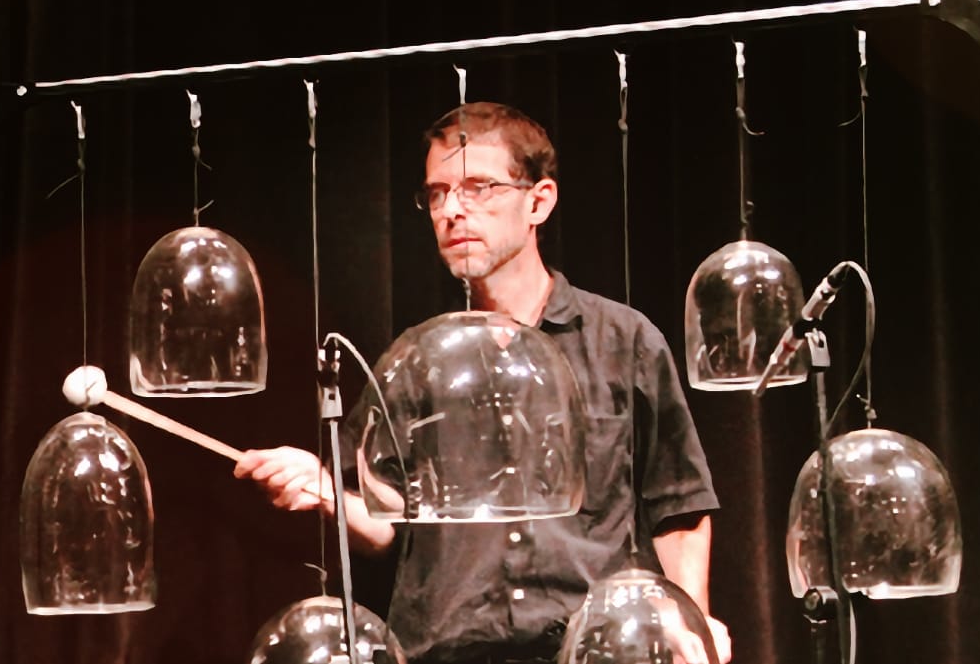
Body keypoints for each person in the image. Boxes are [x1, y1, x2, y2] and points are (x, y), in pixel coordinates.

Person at [235, 101, 732, 664]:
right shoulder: (418, 360)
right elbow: (384, 523)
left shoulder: (624, 340)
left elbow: (680, 507)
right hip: (446, 651)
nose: (452, 210)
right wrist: (324, 487)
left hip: (593, 648)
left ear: (538, 201)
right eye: (439, 192)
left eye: (479, 187)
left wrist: (693, 622)